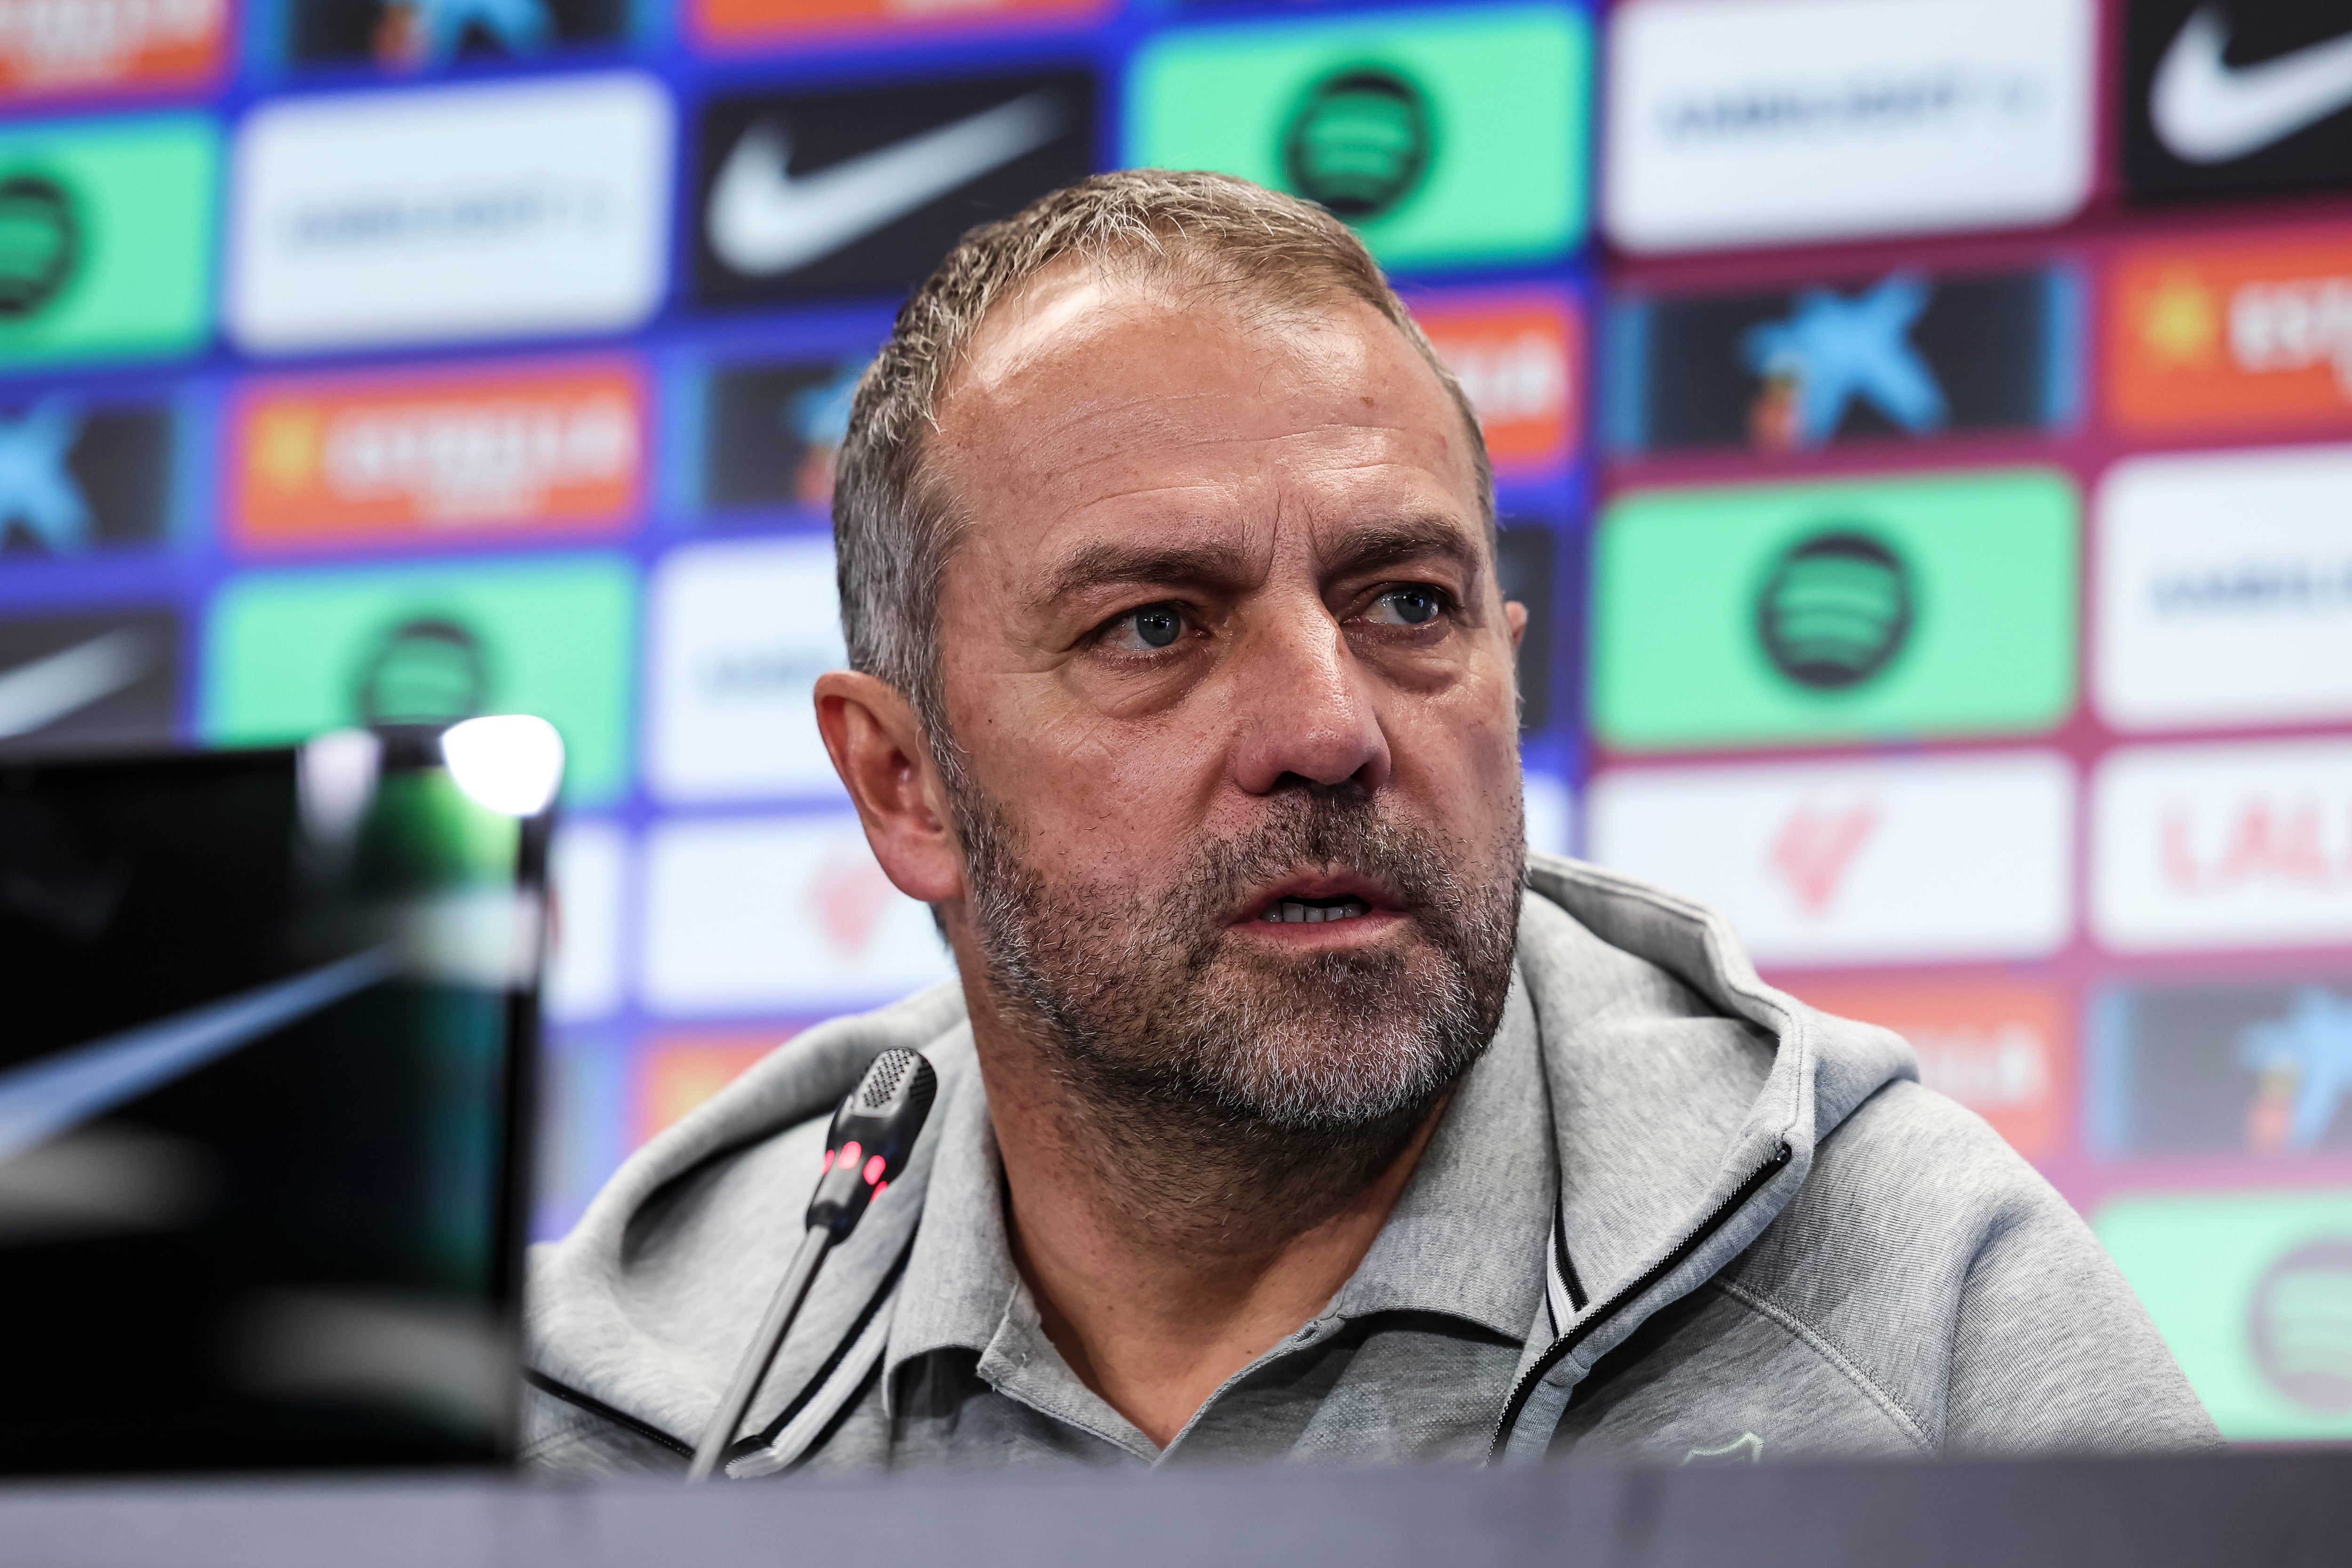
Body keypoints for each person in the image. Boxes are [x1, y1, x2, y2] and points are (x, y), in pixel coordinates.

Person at [523, 170, 2217, 1475]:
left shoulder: (1918, 1310)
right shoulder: (659, 1406)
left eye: (1407, 603)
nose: (1329, 730)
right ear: (903, 783)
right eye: (1156, 629)